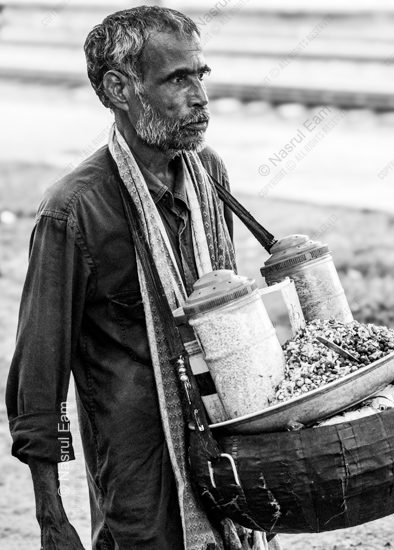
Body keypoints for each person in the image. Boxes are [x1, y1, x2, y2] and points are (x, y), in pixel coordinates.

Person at [5, 6, 277, 550]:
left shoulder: (208, 175)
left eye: (200, 75)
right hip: (136, 465)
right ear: (119, 88)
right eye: (177, 79)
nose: (200, 97)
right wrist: (51, 517)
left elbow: (228, 311)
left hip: (227, 442)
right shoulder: (75, 210)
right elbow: (40, 369)